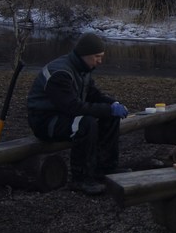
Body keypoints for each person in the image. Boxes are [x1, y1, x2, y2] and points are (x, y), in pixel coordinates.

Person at [26, 32, 129, 195]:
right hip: (45, 121)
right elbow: (73, 107)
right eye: (97, 57)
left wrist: (113, 104)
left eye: (101, 57)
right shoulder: (60, 73)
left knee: (110, 116)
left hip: (63, 115)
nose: (99, 61)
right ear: (85, 55)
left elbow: (93, 94)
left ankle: (105, 169)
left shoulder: (83, 68)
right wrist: (107, 109)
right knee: (85, 123)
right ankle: (81, 179)